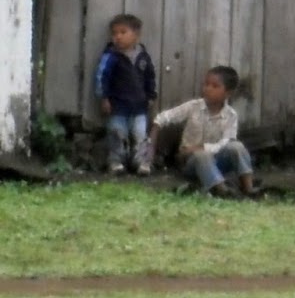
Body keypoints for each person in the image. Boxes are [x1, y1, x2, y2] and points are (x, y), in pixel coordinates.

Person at [151, 65, 259, 198]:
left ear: (228, 93)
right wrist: (152, 143)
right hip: (190, 162)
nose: (207, 89)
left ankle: (249, 189)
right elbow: (163, 117)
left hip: (217, 161)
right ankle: (222, 191)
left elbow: (226, 142)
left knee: (237, 146)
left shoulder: (231, 115)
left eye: (214, 86)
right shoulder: (194, 107)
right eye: (206, 84)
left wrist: (202, 147)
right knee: (201, 155)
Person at [94, 13, 157, 175]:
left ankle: (140, 162)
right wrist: (104, 97)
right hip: (118, 105)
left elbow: (150, 77)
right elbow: (102, 77)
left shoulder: (143, 57)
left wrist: (151, 95)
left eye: (123, 32)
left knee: (140, 135)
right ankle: (116, 161)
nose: (118, 37)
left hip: (139, 106)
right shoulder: (111, 57)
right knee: (117, 133)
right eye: (115, 33)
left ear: (136, 35)